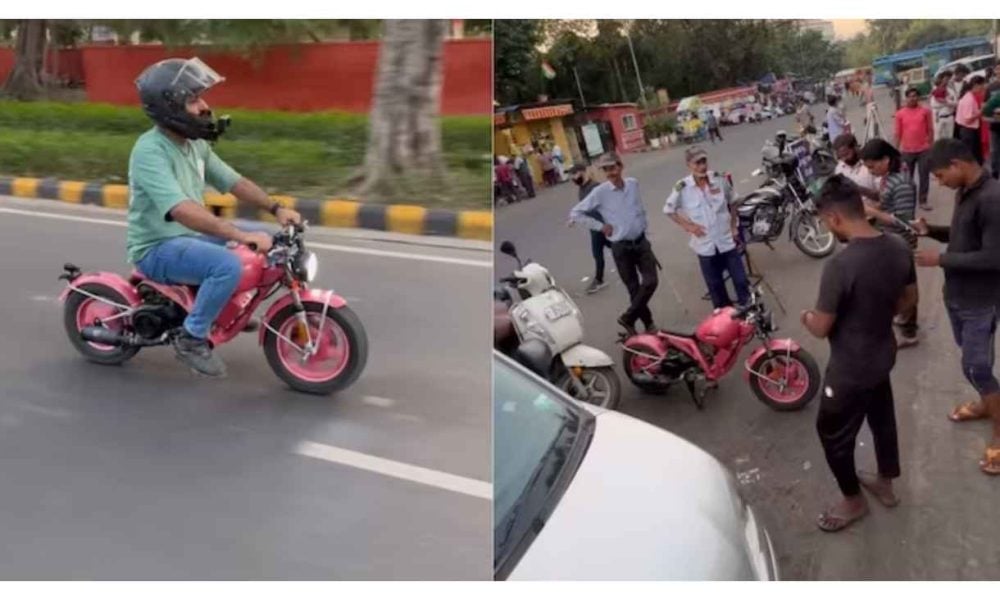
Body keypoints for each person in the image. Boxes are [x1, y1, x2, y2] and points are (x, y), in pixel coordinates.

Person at [128, 57, 302, 377]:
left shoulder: (195, 146)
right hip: (157, 247)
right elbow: (181, 210)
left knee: (271, 240)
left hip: (189, 238)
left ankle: (223, 307)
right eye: (194, 100)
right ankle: (192, 337)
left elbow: (234, 182)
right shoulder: (149, 151)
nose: (205, 106)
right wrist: (238, 236)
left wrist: (276, 209)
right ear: (170, 108)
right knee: (227, 264)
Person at [802, 174, 918, 532]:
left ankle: (853, 500)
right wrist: (877, 316)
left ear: (835, 218)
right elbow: (909, 301)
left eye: (825, 221)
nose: (828, 227)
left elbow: (821, 327)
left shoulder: (840, 265)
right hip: (883, 355)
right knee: (881, 418)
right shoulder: (899, 245)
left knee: (832, 432)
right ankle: (886, 482)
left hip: (851, 369)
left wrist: (806, 316)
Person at [914, 139, 1000, 475]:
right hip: (958, 295)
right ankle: (986, 403)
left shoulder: (993, 199)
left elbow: (994, 257)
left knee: (976, 366)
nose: (939, 182)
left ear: (957, 164)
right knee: (974, 362)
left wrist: (941, 259)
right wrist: (932, 231)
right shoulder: (967, 190)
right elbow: (964, 235)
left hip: (980, 301)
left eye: (939, 175)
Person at [569, 152, 659, 333]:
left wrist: (645, 232)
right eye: (606, 169)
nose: (610, 172)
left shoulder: (633, 184)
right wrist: (600, 226)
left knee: (651, 282)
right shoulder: (600, 192)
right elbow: (576, 213)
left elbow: (639, 210)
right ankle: (648, 324)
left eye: (612, 167)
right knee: (633, 288)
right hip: (621, 248)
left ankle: (628, 317)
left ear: (620, 166)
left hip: (641, 243)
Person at [663, 147, 750, 309]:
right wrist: (689, 226)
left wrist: (733, 227)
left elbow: (733, 202)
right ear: (689, 165)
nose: (702, 166)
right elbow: (668, 210)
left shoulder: (719, 179)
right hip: (705, 245)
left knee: (740, 280)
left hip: (726, 240)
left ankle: (749, 313)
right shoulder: (682, 187)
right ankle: (726, 318)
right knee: (716, 287)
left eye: (704, 161)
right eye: (697, 163)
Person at [859, 138, 920, 348]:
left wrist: (873, 212)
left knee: (905, 288)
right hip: (890, 240)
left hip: (900, 243)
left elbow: (906, 222)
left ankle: (909, 332)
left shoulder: (901, 183)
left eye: (872, 166)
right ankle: (903, 320)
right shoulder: (889, 177)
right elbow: (885, 201)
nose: (870, 171)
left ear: (885, 159)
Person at [568, 163, 611, 294]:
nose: (572, 178)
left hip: (603, 225)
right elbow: (583, 207)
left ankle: (599, 280)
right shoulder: (581, 189)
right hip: (595, 227)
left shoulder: (596, 187)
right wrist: (573, 218)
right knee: (600, 253)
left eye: (574, 174)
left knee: (611, 250)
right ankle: (599, 279)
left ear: (583, 172)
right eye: (571, 176)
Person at [894, 87, 934, 210]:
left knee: (924, 176)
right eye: (910, 96)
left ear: (918, 97)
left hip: (923, 150)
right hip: (907, 151)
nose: (912, 98)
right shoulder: (900, 113)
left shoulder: (925, 111)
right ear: (906, 98)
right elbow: (897, 133)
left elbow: (930, 130)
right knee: (907, 178)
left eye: (915, 96)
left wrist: (931, 146)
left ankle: (923, 201)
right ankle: (908, 200)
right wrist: (896, 151)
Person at [833, 133, 879, 201]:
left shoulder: (871, 164)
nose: (844, 159)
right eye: (841, 157)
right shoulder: (839, 168)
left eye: (847, 154)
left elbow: (882, 196)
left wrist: (858, 189)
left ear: (856, 147)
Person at [955, 75, 987, 164]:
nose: (983, 88)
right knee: (973, 156)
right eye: (982, 85)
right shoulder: (968, 99)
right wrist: (980, 112)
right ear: (976, 85)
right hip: (968, 131)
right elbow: (968, 119)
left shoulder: (969, 96)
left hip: (969, 130)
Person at [930, 70, 956, 141]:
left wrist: (946, 102)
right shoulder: (935, 90)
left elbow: (955, 103)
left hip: (949, 116)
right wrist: (947, 102)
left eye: (948, 79)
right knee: (938, 138)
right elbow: (934, 104)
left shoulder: (951, 91)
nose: (946, 81)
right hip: (939, 117)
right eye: (945, 79)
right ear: (941, 79)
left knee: (950, 138)